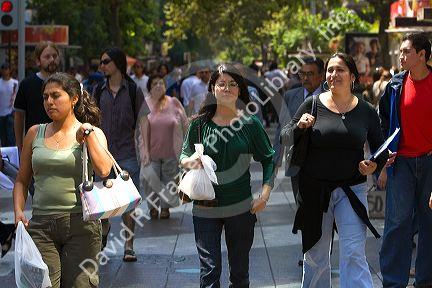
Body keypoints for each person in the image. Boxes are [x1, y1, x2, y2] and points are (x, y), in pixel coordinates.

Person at [281, 53, 387, 288]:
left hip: (352, 189)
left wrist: (373, 165)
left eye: (339, 70)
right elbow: (285, 135)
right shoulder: (312, 104)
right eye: (330, 70)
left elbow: (380, 148)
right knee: (316, 256)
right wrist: (299, 126)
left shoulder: (366, 111)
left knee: (353, 252)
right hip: (314, 191)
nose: (333, 75)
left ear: (352, 76)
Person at [13, 72, 112, 287]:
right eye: (45, 97)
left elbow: (104, 169)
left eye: (55, 96)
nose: (49, 102)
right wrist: (19, 211)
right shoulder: (34, 133)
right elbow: (21, 180)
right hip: (41, 226)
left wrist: (89, 136)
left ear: (74, 98)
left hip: (81, 226)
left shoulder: (92, 132)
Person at [180, 63, 274, 287]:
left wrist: (264, 195)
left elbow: (269, 158)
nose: (227, 88)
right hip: (205, 205)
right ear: (212, 89)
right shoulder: (199, 124)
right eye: (221, 84)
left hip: (240, 206)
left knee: (239, 274)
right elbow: (183, 156)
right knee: (209, 272)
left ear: (240, 90)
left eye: (232, 84)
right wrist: (189, 161)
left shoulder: (250, 124)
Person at [379, 32, 432, 288]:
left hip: (431, 164)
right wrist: (383, 161)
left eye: (405, 52)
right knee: (397, 224)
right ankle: (392, 282)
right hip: (401, 164)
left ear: (421, 55)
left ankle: (425, 281)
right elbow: (384, 123)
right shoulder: (395, 85)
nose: (400, 56)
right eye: (400, 52)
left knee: (429, 223)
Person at [95, 47, 150, 262]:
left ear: (117, 63)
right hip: (102, 154)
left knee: (129, 203)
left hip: (128, 154)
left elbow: (144, 119)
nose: (102, 66)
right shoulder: (98, 90)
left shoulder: (133, 90)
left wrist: (145, 148)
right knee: (102, 204)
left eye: (105, 61)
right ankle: (103, 233)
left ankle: (129, 245)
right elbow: (91, 119)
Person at [273, 57, 325, 206]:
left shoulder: (330, 96)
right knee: (302, 211)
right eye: (302, 74)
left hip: (324, 162)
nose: (305, 78)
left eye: (310, 74)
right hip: (297, 163)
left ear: (321, 76)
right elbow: (281, 128)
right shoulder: (290, 95)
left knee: (324, 213)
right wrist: (276, 160)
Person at [141, 75, 188, 219]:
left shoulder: (174, 102)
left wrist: (187, 147)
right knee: (150, 180)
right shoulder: (146, 104)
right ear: (149, 87)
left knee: (170, 181)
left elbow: (185, 124)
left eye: (161, 83)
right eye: (155, 83)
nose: (158, 85)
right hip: (151, 151)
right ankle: (153, 207)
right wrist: (145, 152)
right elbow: (142, 130)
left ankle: (165, 208)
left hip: (172, 151)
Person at [14, 41, 60, 152]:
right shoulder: (27, 84)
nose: (52, 60)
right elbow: (19, 116)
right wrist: (19, 146)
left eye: (54, 56)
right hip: (34, 145)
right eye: (47, 57)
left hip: (61, 144)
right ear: (38, 61)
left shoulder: (67, 84)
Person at [0, 63, 18, 146]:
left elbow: (17, 96)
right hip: (1, 112)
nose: (4, 70)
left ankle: (12, 155)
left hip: (11, 112)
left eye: (6, 68)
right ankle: (4, 156)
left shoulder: (15, 83)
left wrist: (15, 110)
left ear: (9, 70)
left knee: (10, 134)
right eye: (3, 68)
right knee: (3, 136)